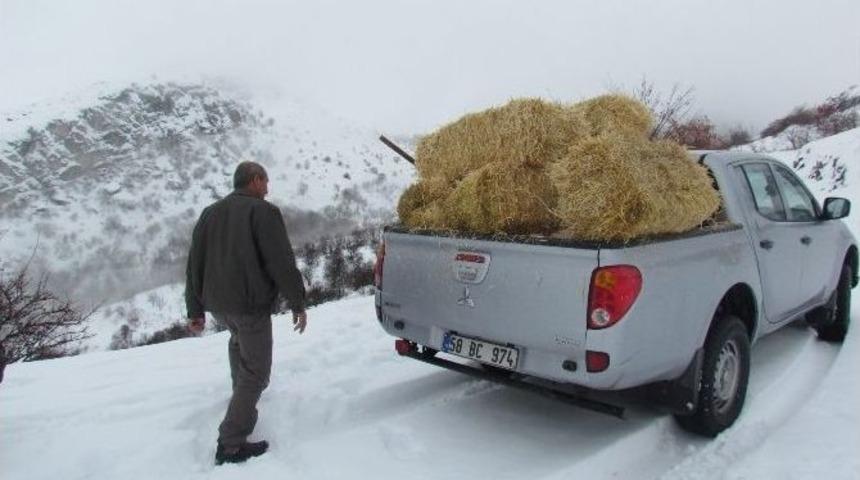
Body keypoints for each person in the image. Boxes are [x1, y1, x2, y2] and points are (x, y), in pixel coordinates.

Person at [185, 161, 308, 465]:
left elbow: (194, 263)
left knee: (238, 344)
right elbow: (279, 260)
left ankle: (240, 399)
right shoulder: (263, 212)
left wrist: (195, 309)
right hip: (248, 304)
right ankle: (231, 443)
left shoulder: (210, 213)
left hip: (218, 305)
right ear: (255, 180)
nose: (268, 188)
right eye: (266, 181)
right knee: (256, 371)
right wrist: (298, 302)